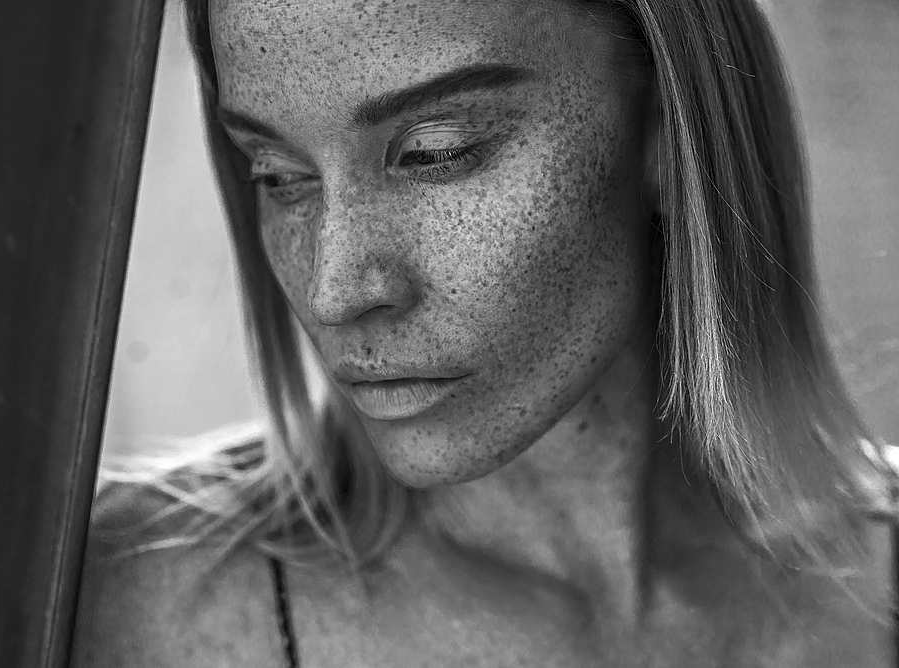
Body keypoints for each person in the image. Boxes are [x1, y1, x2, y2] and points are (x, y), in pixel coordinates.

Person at [71, 0, 899, 665]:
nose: (334, 290)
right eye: (279, 175)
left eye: (435, 151)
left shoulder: (877, 583)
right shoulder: (129, 603)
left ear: (665, 128)